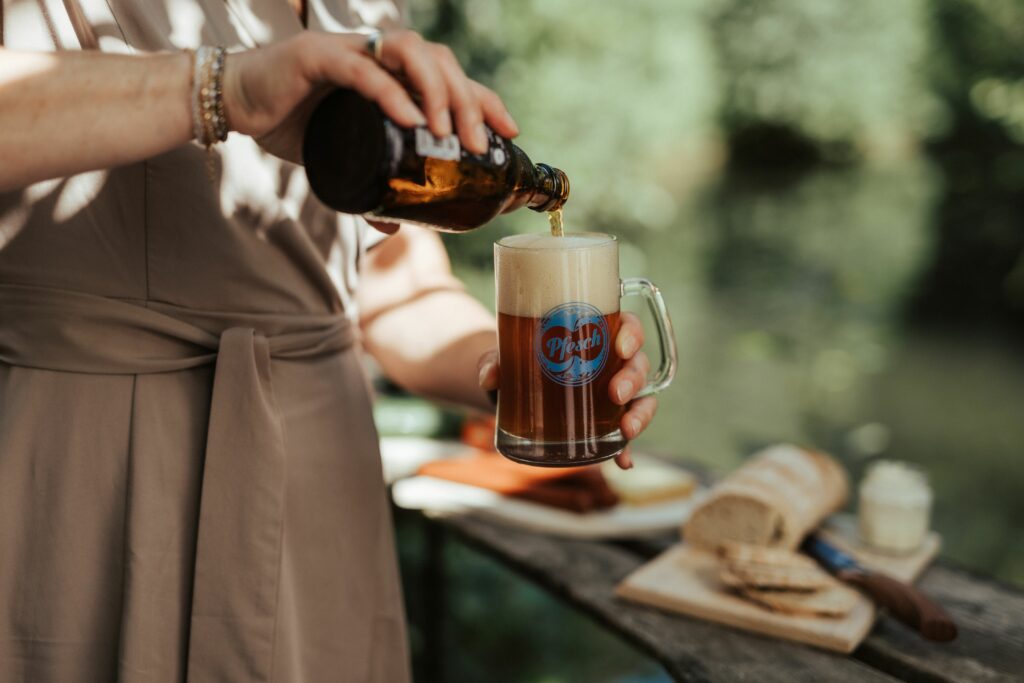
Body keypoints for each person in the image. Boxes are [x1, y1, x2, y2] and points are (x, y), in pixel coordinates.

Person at [0, 0, 659, 680]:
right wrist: (222, 87)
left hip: (320, 489)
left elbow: (387, 285)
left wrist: (507, 367)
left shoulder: (367, 10)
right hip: (98, 474)